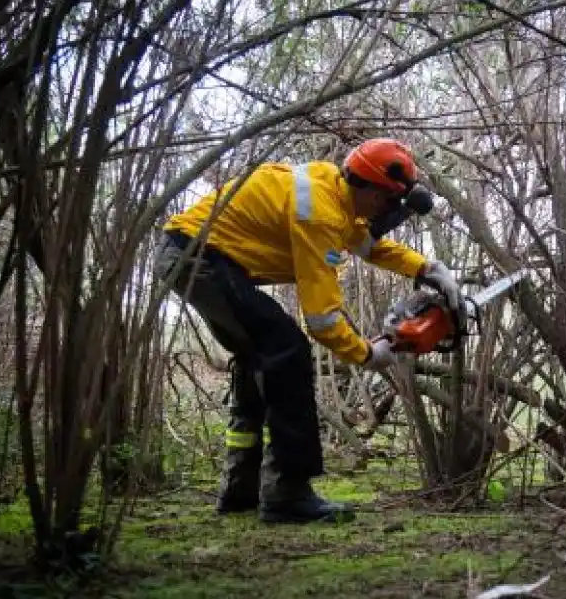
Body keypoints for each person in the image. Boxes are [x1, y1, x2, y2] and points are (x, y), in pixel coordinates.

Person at [152, 138, 462, 524]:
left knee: (258, 356)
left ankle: (241, 489)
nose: (386, 212)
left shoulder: (334, 191)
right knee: (287, 349)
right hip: (198, 257)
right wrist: (367, 354)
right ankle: (287, 493)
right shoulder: (319, 212)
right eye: (387, 202)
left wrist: (426, 268)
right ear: (370, 190)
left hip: (197, 254)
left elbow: (368, 247)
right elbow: (322, 320)